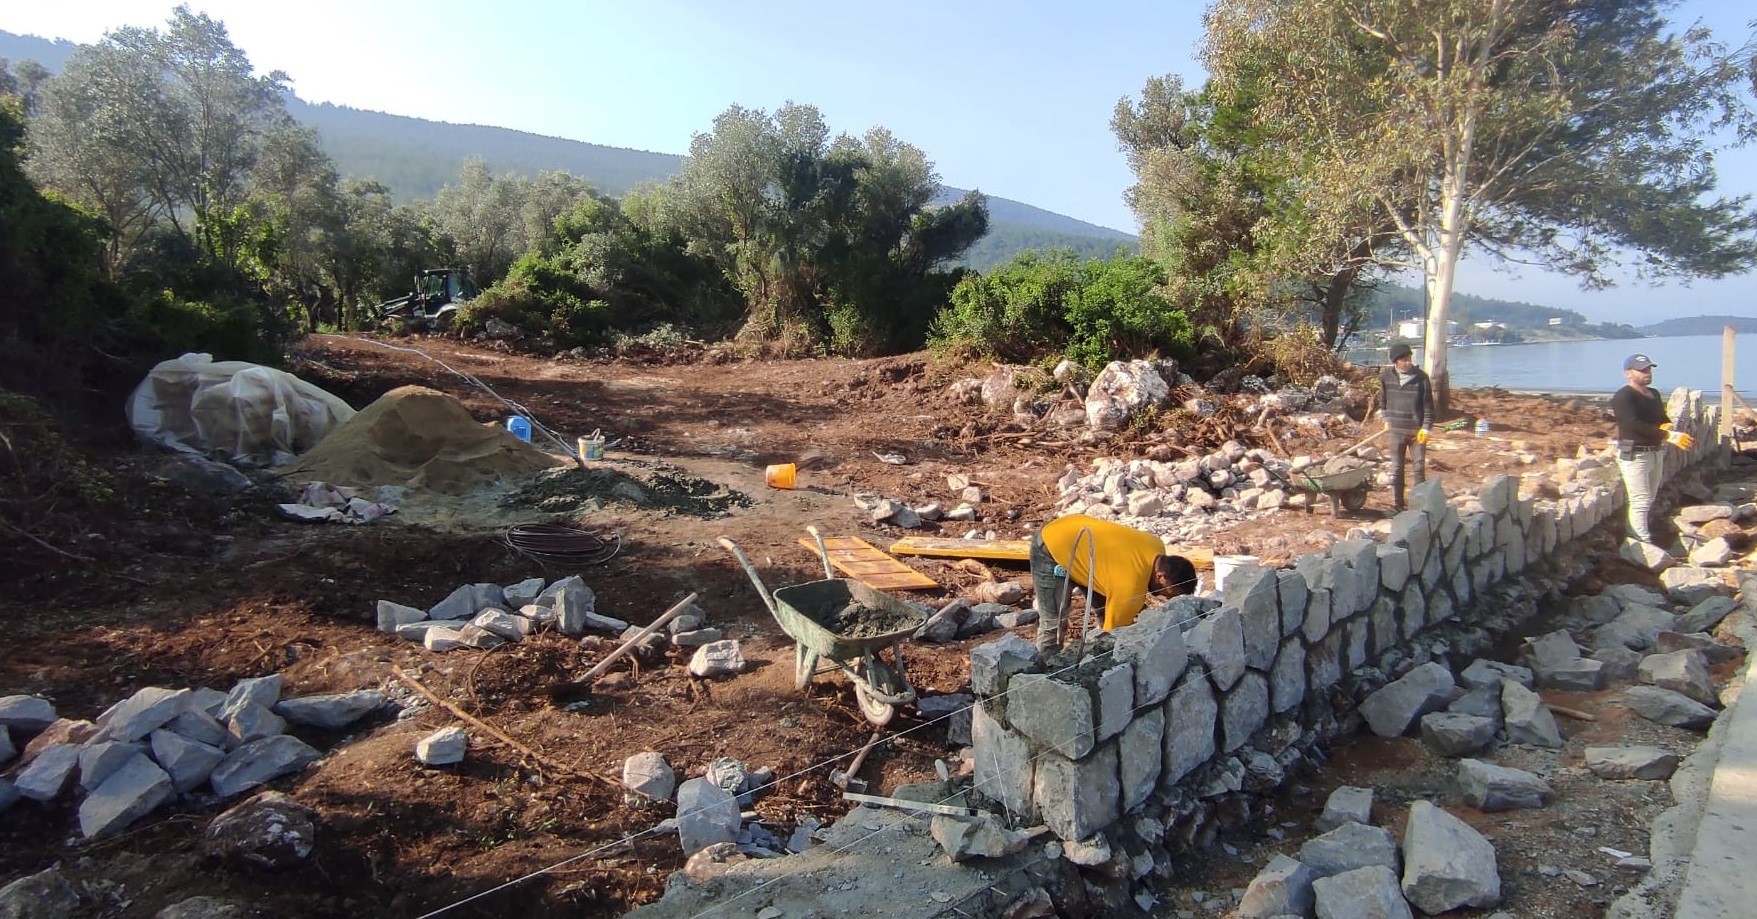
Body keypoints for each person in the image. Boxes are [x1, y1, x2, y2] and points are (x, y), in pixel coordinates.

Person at [1029, 513, 1197, 652]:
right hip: (1052, 545)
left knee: (1105, 607)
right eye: (1168, 593)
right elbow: (1113, 636)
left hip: (1074, 529)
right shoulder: (1129, 587)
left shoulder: (1157, 545)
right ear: (1161, 576)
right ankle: (1043, 672)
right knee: (1054, 622)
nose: (1164, 597)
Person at [1612, 353, 1693, 544]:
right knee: (1639, 499)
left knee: (1650, 497)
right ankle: (1641, 541)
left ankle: (1640, 534)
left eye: (1648, 369)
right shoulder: (1623, 397)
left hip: (1655, 452)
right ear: (1628, 373)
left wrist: (1667, 427)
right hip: (1634, 453)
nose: (1647, 373)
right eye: (1641, 370)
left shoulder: (1654, 394)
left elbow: (1661, 418)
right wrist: (1668, 435)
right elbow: (1632, 424)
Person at [1380, 342, 1435, 513]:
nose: (1408, 362)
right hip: (1396, 431)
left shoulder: (1421, 378)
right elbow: (1383, 402)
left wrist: (1426, 427)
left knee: (1418, 467)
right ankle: (1398, 504)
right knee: (1397, 469)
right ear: (1396, 361)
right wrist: (1385, 418)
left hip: (1416, 432)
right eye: (1404, 359)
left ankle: (1419, 504)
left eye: (1409, 358)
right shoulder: (1386, 377)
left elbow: (1428, 406)